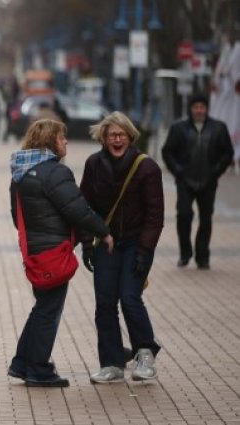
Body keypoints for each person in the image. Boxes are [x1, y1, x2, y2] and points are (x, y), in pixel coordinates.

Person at [8, 118, 112, 387]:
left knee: (42, 306)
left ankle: (22, 362)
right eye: (62, 137)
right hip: (54, 251)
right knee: (48, 310)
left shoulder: (20, 172)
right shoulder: (54, 172)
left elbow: (15, 215)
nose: (66, 141)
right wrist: (103, 231)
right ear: (50, 140)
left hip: (34, 250)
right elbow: (78, 209)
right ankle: (38, 369)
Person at [81, 111, 164, 383]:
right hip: (107, 243)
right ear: (103, 138)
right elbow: (85, 207)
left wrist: (144, 251)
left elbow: (155, 216)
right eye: (111, 135)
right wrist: (87, 243)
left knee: (130, 297)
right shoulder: (93, 164)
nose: (117, 140)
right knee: (105, 303)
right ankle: (112, 363)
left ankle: (145, 353)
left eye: (121, 135)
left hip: (137, 243)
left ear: (130, 136)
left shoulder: (147, 167)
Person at [161, 94, 234, 270]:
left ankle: (203, 256)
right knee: (184, 215)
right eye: (196, 107)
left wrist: (216, 171)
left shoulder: (218, 128)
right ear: (191, 108)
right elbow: (167, 151)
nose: (199, 110)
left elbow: (227, 153)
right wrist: (178, 171)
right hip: (185, 181)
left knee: (206, 218)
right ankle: (185, 253)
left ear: (207, 108)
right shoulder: (179, 128)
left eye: (202, 107)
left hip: (208, 181)